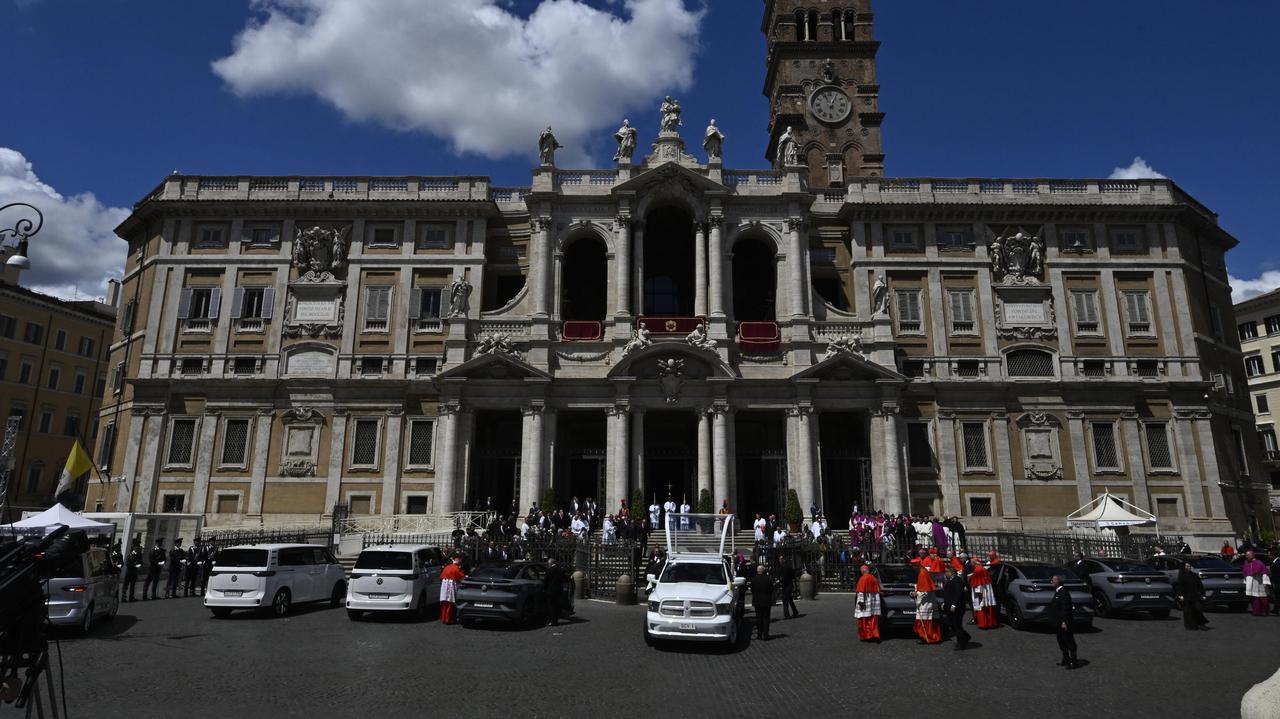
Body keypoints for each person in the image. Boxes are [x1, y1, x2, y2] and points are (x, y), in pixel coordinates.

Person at [1047, 574, 1079, 669]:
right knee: (1061, 641)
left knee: (1069, 641)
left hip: (1064, 623)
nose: (1051, 582)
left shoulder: (1063, 592)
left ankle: (1073, 661)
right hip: (1058, 623)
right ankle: (1066, 658)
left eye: (1053, 580)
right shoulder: (1058, 591)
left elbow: (1066, 608)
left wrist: (1064, 622)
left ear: (1058, 582)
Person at [941, 565, 971, 650]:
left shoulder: (957, 581)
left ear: (952, 572)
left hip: (957, 608)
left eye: (946, 571)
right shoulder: (950, 580)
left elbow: (958, 594)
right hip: (949, 606)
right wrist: (944, 603)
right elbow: (948, 594)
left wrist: (954, 604)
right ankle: (965, 636)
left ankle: (961, 643)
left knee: (956, 625)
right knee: (951, 623)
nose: (945, 573)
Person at [911, 566, 942, 644]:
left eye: (913, 567)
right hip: (927, 602)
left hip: (926, 603)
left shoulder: (922, 574)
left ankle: (928, 637)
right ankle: (925, 637)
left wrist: (916, 593)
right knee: (925, 621)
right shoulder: (922, 572)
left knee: (925, 621)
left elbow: (925, 590)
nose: (913, 568)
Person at [1174, 562, 1209, 631]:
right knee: (1188, 612)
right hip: (1186, 596)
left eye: (1189, 566)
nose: (1188, 567)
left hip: (1195, 596)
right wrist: (1180, 595)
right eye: (1187, 566)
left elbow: (1200, 586)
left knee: (1198, 609)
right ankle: (1190, 626)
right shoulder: (1181, 576)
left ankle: (1202, 624)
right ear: (1183, 567)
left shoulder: (1195, 575)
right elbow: (1179, 587)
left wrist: (1203, 594)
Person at [853, 564, 881, 642]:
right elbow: (877, 592)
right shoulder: (874, 578)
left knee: (864, 620)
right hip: (873, 603)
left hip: (865, 603)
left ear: (862, 571)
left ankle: (867, 636)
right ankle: (874, 635)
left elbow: (861, 592)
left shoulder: (862, 578)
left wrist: (860, 602)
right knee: (873, 619)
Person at [969, 558, 998, 629]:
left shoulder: (977, 570)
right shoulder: (982, 568)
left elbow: (978, 583)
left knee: (981, 608)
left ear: (974, 563)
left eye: (971, 562)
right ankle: (990, 623)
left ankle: (983, 624)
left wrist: (979, 594)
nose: (970, 564)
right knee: (989, 608)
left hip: (981, 592)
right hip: (986, 590)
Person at [439, 554, 467, 625]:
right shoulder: (456, 568)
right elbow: (461, 577)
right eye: (460, 560)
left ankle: (444, 618)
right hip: (451, 586)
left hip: (444, 586)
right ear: (457, 560)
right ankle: (449, 619)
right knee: (451, 602)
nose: (460, 561)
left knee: (445, 602)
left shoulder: (447, 567)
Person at [749, 565, 775, 641]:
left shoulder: (753, 579)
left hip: (757, 601)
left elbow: (752, 590)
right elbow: (771, 589)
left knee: (758, 618)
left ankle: (759, 634)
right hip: (766, 601)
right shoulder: (768, 579)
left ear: (757, 571)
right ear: (764, 571)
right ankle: (766, 635)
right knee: (766, 619)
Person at [1241, 550, 1269, 617]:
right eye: (1246, 555)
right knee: (1253, 597)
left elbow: (1264, 573)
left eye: (1248, 555)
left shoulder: (1259, 563)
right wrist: (1245, 581)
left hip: (1259, 581)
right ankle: (1256, 611)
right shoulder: (1246, 563)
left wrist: (1265, 582)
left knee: (1262, 597)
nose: (1246, 556)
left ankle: (1264, 611)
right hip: (1250, 582)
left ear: (1252, 555)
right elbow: (1245, 573)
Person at [544, 557, 569, 626]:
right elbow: (566, 578)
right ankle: (556, 620)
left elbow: (545, 581)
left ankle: (553, 621)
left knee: (551, 606)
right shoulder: (560, 570)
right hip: (559, 590)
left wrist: (544, 588)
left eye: (548, 564)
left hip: (550, 591)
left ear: (550, 563)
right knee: (557, 605)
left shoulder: (549, 570)